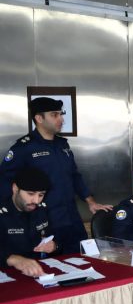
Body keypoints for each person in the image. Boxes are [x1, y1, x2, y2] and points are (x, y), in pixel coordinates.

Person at [0, 97, 112, 253]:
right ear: (39, 118)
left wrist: (90, 202)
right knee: (51, 263)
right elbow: (5, 181)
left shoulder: (62, 144)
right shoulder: (24, 147)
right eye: (54, 115)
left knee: (82, 258)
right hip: (45, 220)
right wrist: (14, 216)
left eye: (60, 114)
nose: (61, 119)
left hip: (71, 217)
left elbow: (74, 176)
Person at [0, 167, 60, 277]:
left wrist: (54, 246)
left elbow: (59, 239)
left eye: (41, 195)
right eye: (31, 194)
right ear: (15, 189)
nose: (36, 201)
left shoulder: (43, 209)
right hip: (6, 275)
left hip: (39, 272)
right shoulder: (2, 213)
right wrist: (12, 259)